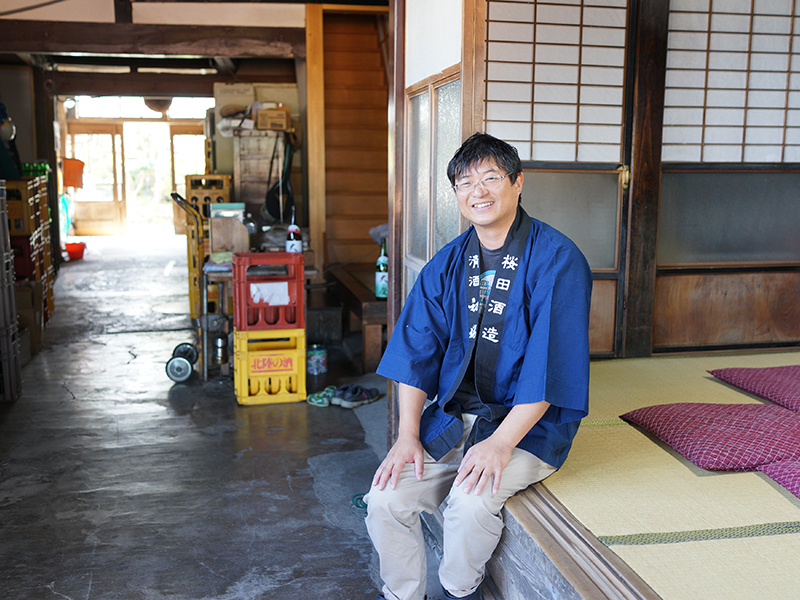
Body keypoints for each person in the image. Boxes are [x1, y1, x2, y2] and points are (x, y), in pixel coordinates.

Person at [364, 132, 592, 600]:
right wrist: (408, 434)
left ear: (518, 183)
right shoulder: (448, 263)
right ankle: (403, 595)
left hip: (529, 425)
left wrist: (501, 443)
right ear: (456, 196)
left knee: (468, 505)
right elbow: (417, 352)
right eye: (466, 183)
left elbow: (551, 365)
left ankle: (459, 592)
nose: (479, 191)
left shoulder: (557, 259)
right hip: (454, 419)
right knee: (385, 499)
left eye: (491, 178)